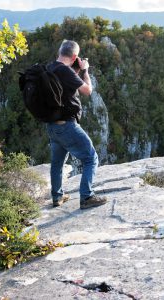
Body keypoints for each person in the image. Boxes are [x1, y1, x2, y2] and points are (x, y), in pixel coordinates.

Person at [46, 39, 107, 209]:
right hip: (67, 126)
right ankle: (87, 197)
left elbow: (67, 83)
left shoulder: (49, 68)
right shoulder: (66, 71)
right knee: (90, 158)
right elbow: (87, 90)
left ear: (60, 52)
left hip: (52, 126)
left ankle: (57, 197)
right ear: (74, 57)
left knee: (57, 163)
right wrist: (85, 71)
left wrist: (76, 70)